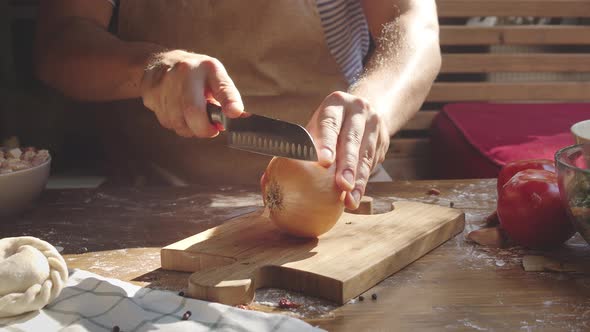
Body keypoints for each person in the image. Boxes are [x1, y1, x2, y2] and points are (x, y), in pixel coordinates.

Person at [34, 0, 441, 210]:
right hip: (148, 199)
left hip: (337, 189)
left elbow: (412, 24)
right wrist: (150, 70)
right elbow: (60, 41)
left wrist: (374, 103)